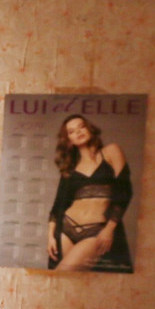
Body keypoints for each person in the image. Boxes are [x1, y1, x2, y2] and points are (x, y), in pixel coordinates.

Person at [46, 115, 132, 272]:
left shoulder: (111, 151)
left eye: (81, 127)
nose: (78, 132)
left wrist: (109, 229)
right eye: (72, 131)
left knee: (62, 274)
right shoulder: (70, 167)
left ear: (90, 128)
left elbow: (125, 191)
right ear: (69, 139)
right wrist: (50, 236)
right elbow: (58, 204)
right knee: (69, 281)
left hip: (96, 229)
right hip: (66, 228)